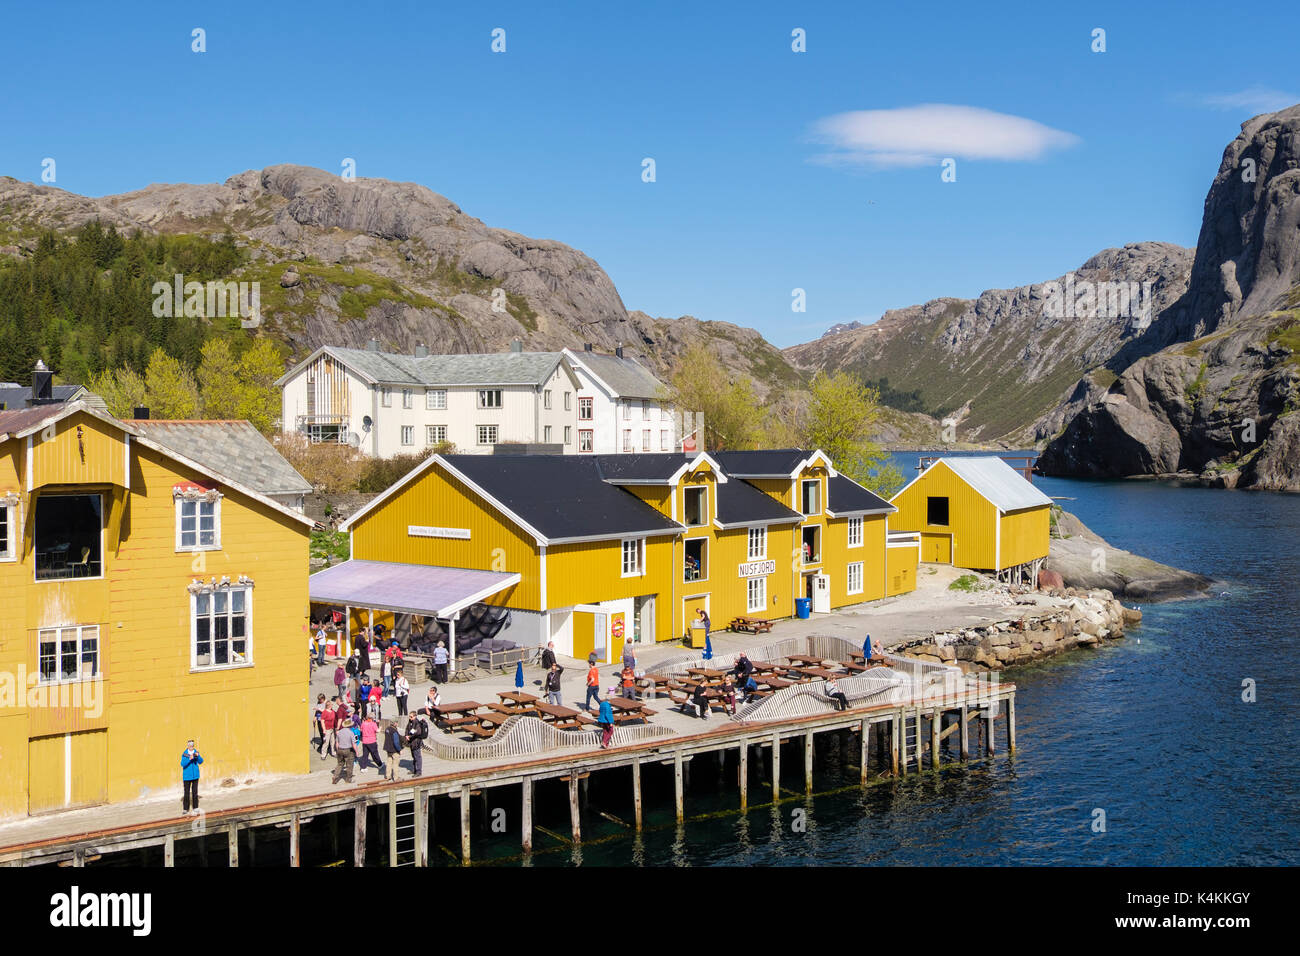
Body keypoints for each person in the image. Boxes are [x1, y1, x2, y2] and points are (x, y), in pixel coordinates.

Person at [180, 740, 203, 814]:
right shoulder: (185, 754)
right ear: (188, 746)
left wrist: (198, 756)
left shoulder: (196, 752)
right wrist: (190, 759)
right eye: (190, 746)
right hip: (187, 777)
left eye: (192, 746)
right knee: (186, 793)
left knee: (195, 792)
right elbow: (182, 764)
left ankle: (195, 807)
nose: (191, 747)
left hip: (195, 776)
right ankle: (185, 809)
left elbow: (201, 761)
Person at [332, 719, 358, 784]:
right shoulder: (351, 733)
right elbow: (354, 744)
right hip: (348, 750)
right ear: (350, 726)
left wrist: (337, 750)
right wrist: (357, 752)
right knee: (349, 765)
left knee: (340, 764)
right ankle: (348, 779)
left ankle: (335, 777)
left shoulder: (339, 732)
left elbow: (337, 743)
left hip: (340, 749)